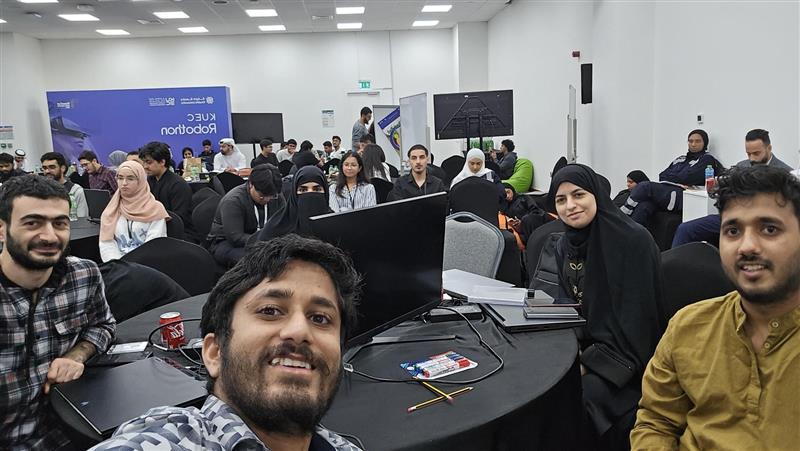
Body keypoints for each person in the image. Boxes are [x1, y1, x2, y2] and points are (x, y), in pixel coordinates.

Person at [90, 234, 362, 451]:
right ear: (214, 353)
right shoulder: (168, 441)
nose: (300, 330)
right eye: (270, 310)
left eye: (320, 318)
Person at [631, 165, 800, 449]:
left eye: (769, 228)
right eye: (732, 230)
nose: (747, 246)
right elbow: (655, 422)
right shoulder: (687, 326)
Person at [538, 164, 662, 450]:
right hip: (585, 349)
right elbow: (570, 306)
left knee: (576, 401)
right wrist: (569, 356)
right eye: (561, 200)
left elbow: (639, 324)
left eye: (578, 194)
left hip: (628, 362)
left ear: (596, 194)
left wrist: (587, 364)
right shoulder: (563, 245)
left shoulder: (633, 241)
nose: (571, 206)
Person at [0, 175, 115, 449]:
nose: (50, 236)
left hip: (71, 431)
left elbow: (103, 326)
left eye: (59, 223)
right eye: (32, 223)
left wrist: (76, 355)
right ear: (2, 229)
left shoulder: (82, 275)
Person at [672, 128, 794, 248]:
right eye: (748, 153)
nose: (752, 158)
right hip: (733, 216)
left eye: (756, 153)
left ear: (769, 149)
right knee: (685, 229)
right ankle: (672, 267)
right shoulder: (742, 165)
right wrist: (716, 187)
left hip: (761, 222)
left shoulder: (785, 173)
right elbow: (725, 188)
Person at [621, 129, 721, 227]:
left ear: (705, 143)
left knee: (644, 186)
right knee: (644, 206)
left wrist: (675, 177)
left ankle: (621, 217)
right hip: (666, 191)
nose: (693, 144)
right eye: (690, 141)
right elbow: (662, 175)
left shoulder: (707, 159)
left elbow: (689, 177)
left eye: (698, 141)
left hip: (683, 195)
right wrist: (679, 177)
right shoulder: (680, 159)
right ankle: (629, 235)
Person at [207, 164, 285, 267]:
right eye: (262, 196)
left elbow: (284, 223)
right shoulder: (233, 201)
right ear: (251, 184)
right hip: (227, 242)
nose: (267, 200)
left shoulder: (275, 194)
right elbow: (236, 238)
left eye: (272, 196)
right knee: (259, 260)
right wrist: (268, 242)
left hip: (264, 240)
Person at [98, 161, 169, 262]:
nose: (124, 183)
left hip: (147, 266)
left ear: (140, 181)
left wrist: (134, 269)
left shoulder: (155, 208)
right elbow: (106, 242)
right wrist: (116, 265)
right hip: (118, 268)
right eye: (120, 178)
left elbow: (155, 245)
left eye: (130, 178)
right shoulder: (112, 209)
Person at [258, 166, 332, 242]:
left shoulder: (335, 224)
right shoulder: (274, 231)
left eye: (317, 189)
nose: (310, 193)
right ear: (294, 194)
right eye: (303, 190)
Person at [139, 141, 194, 237]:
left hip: (179, 234)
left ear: (162, 162)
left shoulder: (178, 185)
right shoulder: (149, 180)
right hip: (154, 230)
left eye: (149, 162)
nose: (145, 166)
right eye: (144, 162)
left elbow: (179, 219)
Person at [41, 151, 89, 218]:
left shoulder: (76, 191)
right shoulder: (40, 191)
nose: (47, 171)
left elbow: (82, 219)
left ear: (63, 168)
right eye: (44, 168)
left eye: (52, 167)